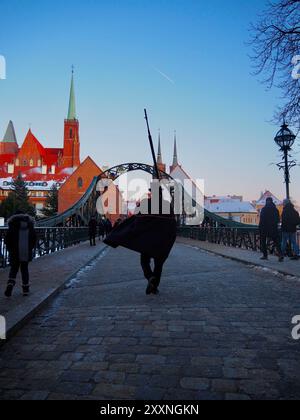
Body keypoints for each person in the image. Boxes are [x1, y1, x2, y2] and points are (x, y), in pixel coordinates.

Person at [105, 184, 177, 296]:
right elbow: (172, 225)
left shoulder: (144, 203)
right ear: (161, 193)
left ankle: (150, 277)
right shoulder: (167, 205)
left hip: (146, 241)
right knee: (159, 264)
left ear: (151, 193)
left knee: (144, 261)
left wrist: (130, 233)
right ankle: (154, 286)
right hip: (161, 242)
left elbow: (137, 222)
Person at [4, 211, 36, 297]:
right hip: (25, 250)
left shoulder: (12, 225)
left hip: (14, 251)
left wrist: (10, 249)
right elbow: (34, 238)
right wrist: (29, 248)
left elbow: (7, 240)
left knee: (14, 269)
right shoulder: (30, 225)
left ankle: (10, 283)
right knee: (24, 270)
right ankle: (25, 290)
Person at [259, 197, 284, 262]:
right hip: (273, 228)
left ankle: (265, 255)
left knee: (263, 242)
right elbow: (278, 220)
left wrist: (260, 228)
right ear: (272, 201)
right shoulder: (276, 210)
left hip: (265, 228)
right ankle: (280, 255)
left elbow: (261, 220)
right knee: (276, 242)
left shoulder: (264, 209)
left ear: (266, 201)